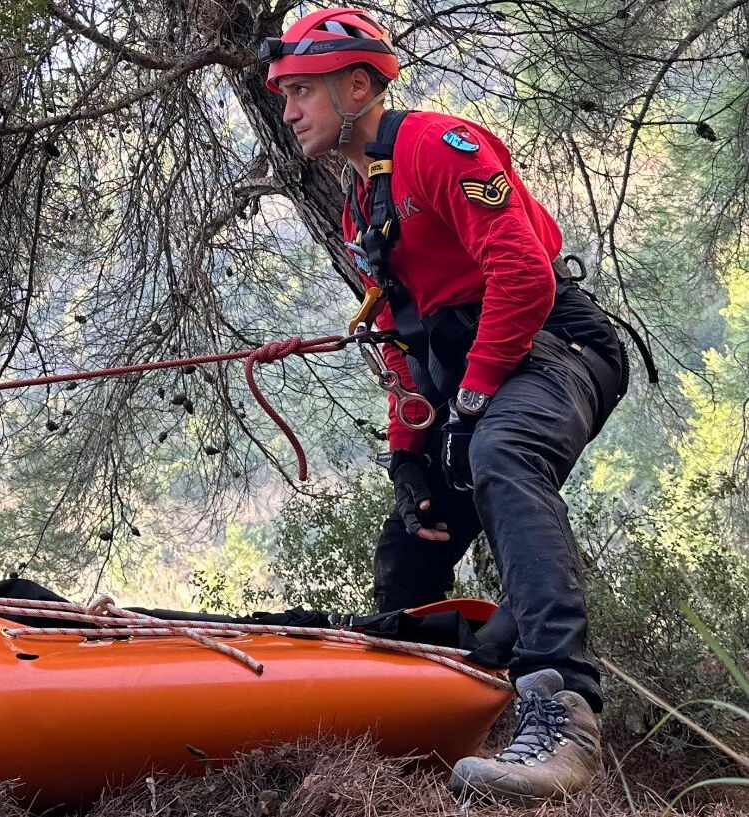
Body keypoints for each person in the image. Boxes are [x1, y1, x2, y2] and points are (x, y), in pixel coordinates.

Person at [261, 7, 629, 803]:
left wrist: (471, 401)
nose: (287, 111)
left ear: (358, 85)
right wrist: (409, 454)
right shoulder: (366, 205)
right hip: (474, 379)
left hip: (555, 347)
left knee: (500, 455)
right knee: (411, 542)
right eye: (282, 94)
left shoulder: (436, 146)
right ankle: (419, 722)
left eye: (299, 91)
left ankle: (562, 711)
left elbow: (525, 276)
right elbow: (402, 339)